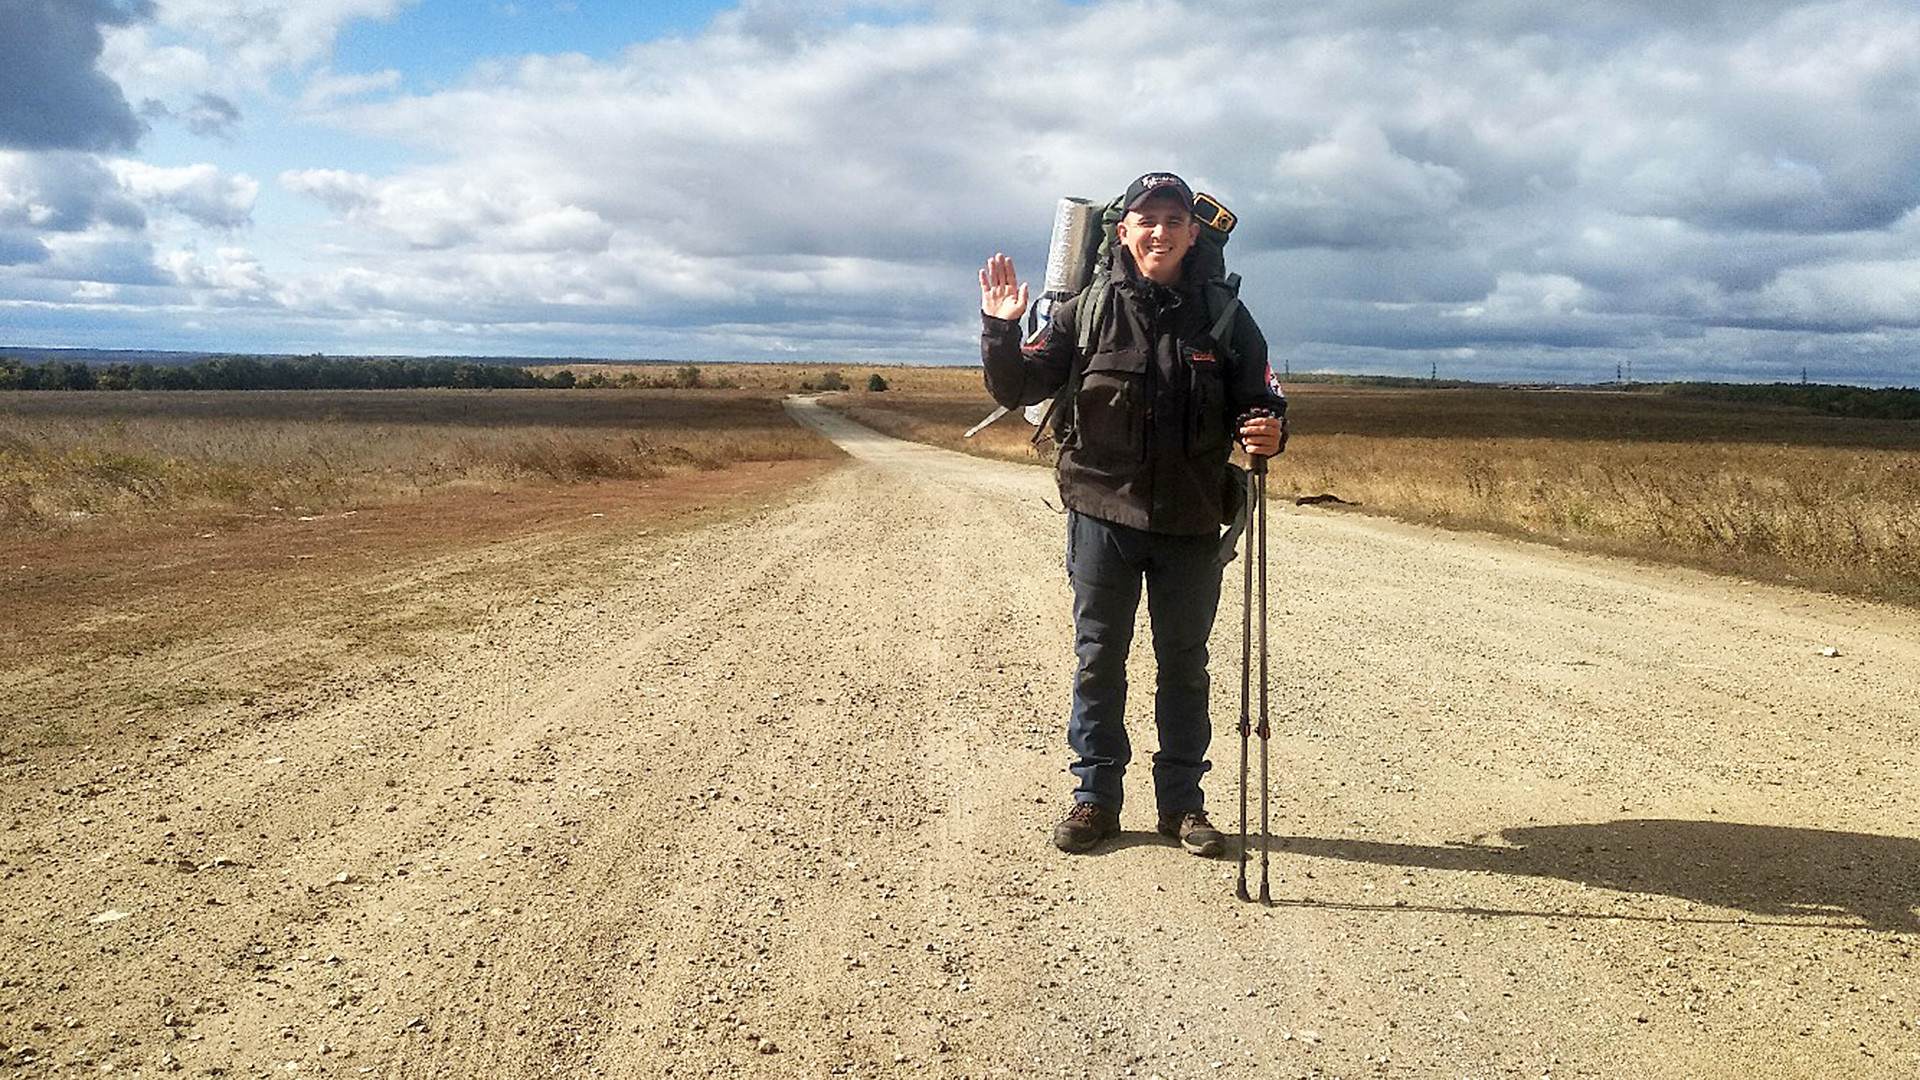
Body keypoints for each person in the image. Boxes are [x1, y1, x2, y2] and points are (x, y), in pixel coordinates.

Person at [978, 171, 1286, 857]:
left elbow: (1262, 400)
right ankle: (1095, 799)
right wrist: (1000, 331)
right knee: (1099, 661)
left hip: (1190, 522)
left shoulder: (1225, 316)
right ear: (1124, 232)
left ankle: (1184, 807)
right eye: (1148, 220)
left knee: (1184, 665)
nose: (1160, 232)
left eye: (1175, 221)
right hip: (1100, 516)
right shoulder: (1085, 310)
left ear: (1191, 234)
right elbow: (1020, 384)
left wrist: (1269, 431)